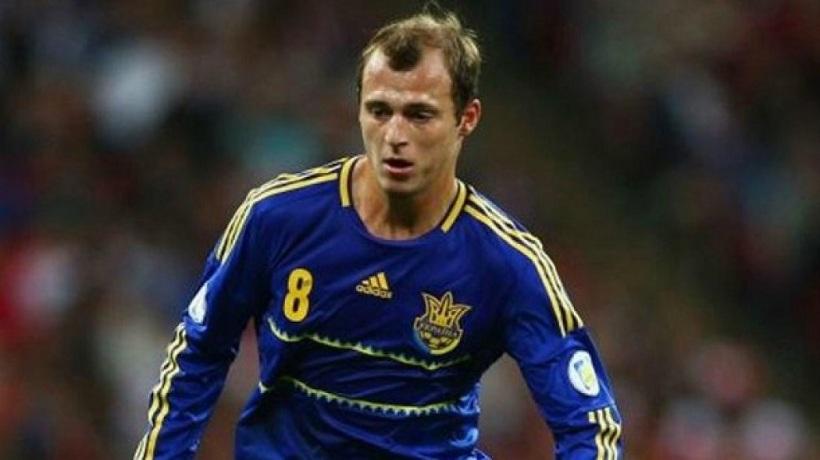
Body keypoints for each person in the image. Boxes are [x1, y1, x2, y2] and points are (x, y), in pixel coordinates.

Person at [134, 6, 623, 460]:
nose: (395, 136)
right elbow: (199, 351)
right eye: (380, 110)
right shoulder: (276, 218)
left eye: (420, 114)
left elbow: (589, 424)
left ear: (466, 119)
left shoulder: (505, 262)